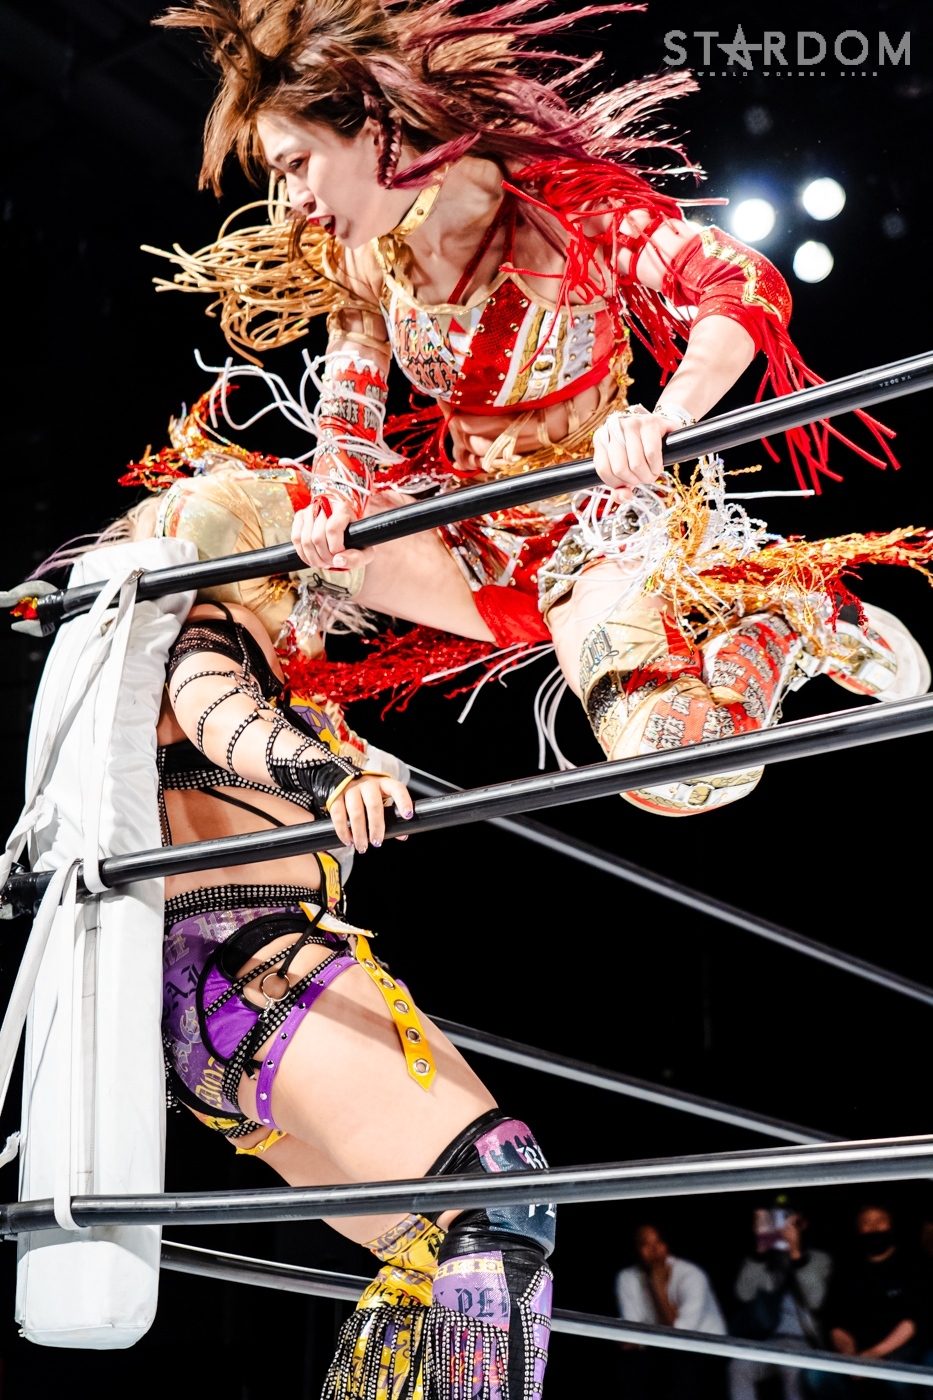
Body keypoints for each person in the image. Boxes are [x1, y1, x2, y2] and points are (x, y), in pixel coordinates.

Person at [146, 0, 933, 817]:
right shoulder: (362, 255)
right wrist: (338, 492)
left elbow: (739, 283)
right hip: (459, 534)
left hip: (592, 538)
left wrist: (666, 418)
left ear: (375, 129)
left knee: (680, 772)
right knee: (198, 522)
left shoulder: (560, 213)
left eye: (296, 164)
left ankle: (792, 623)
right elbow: (351, 395)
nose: (291, 200)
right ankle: (289, 761)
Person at [17, 434, 557, 1394]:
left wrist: (344, 765)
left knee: (434, 1253)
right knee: (498, 1195)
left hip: (225, 999)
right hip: (256, 971)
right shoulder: (209, 630)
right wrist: (328, 778)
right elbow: (217, 711)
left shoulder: (225, 657)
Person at [729, 1201, 832, 1400]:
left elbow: (815, 1301)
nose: (783, 1227)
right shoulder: (766, 1259)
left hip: (803, 1342)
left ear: (803, 1224)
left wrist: (795, 1254)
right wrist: (761, 1250)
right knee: (738, 1367)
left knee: (792, 1368)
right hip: (768, 1340)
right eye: (778, 1221)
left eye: (790, 1221)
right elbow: (743, 1294)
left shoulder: (819, 1259)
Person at [616, 1223, 726, 1400]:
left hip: (705, 1347)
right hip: (659, 1346)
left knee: (681, 1363)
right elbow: (630, 1338)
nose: (653, 1250)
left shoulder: (691, 1276)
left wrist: (658, 1288)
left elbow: (680, 1335)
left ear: (666, 1245)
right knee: (630, 1366)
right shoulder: (628, 1277)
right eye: (645, 1244)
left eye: (658, 1242)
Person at [825, 1205, 932, 1382]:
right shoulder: (848, 1269)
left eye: (880, 1221)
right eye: (866, 1223)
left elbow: (914, 1319)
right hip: (857, 1355)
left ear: (892, 1225)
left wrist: (874, 1354)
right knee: (817, 1377)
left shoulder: (913, 1265)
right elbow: (835, 1320)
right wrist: (851, 1357)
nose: (874, 1227)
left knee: (897, 1379)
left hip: (902, 1350)